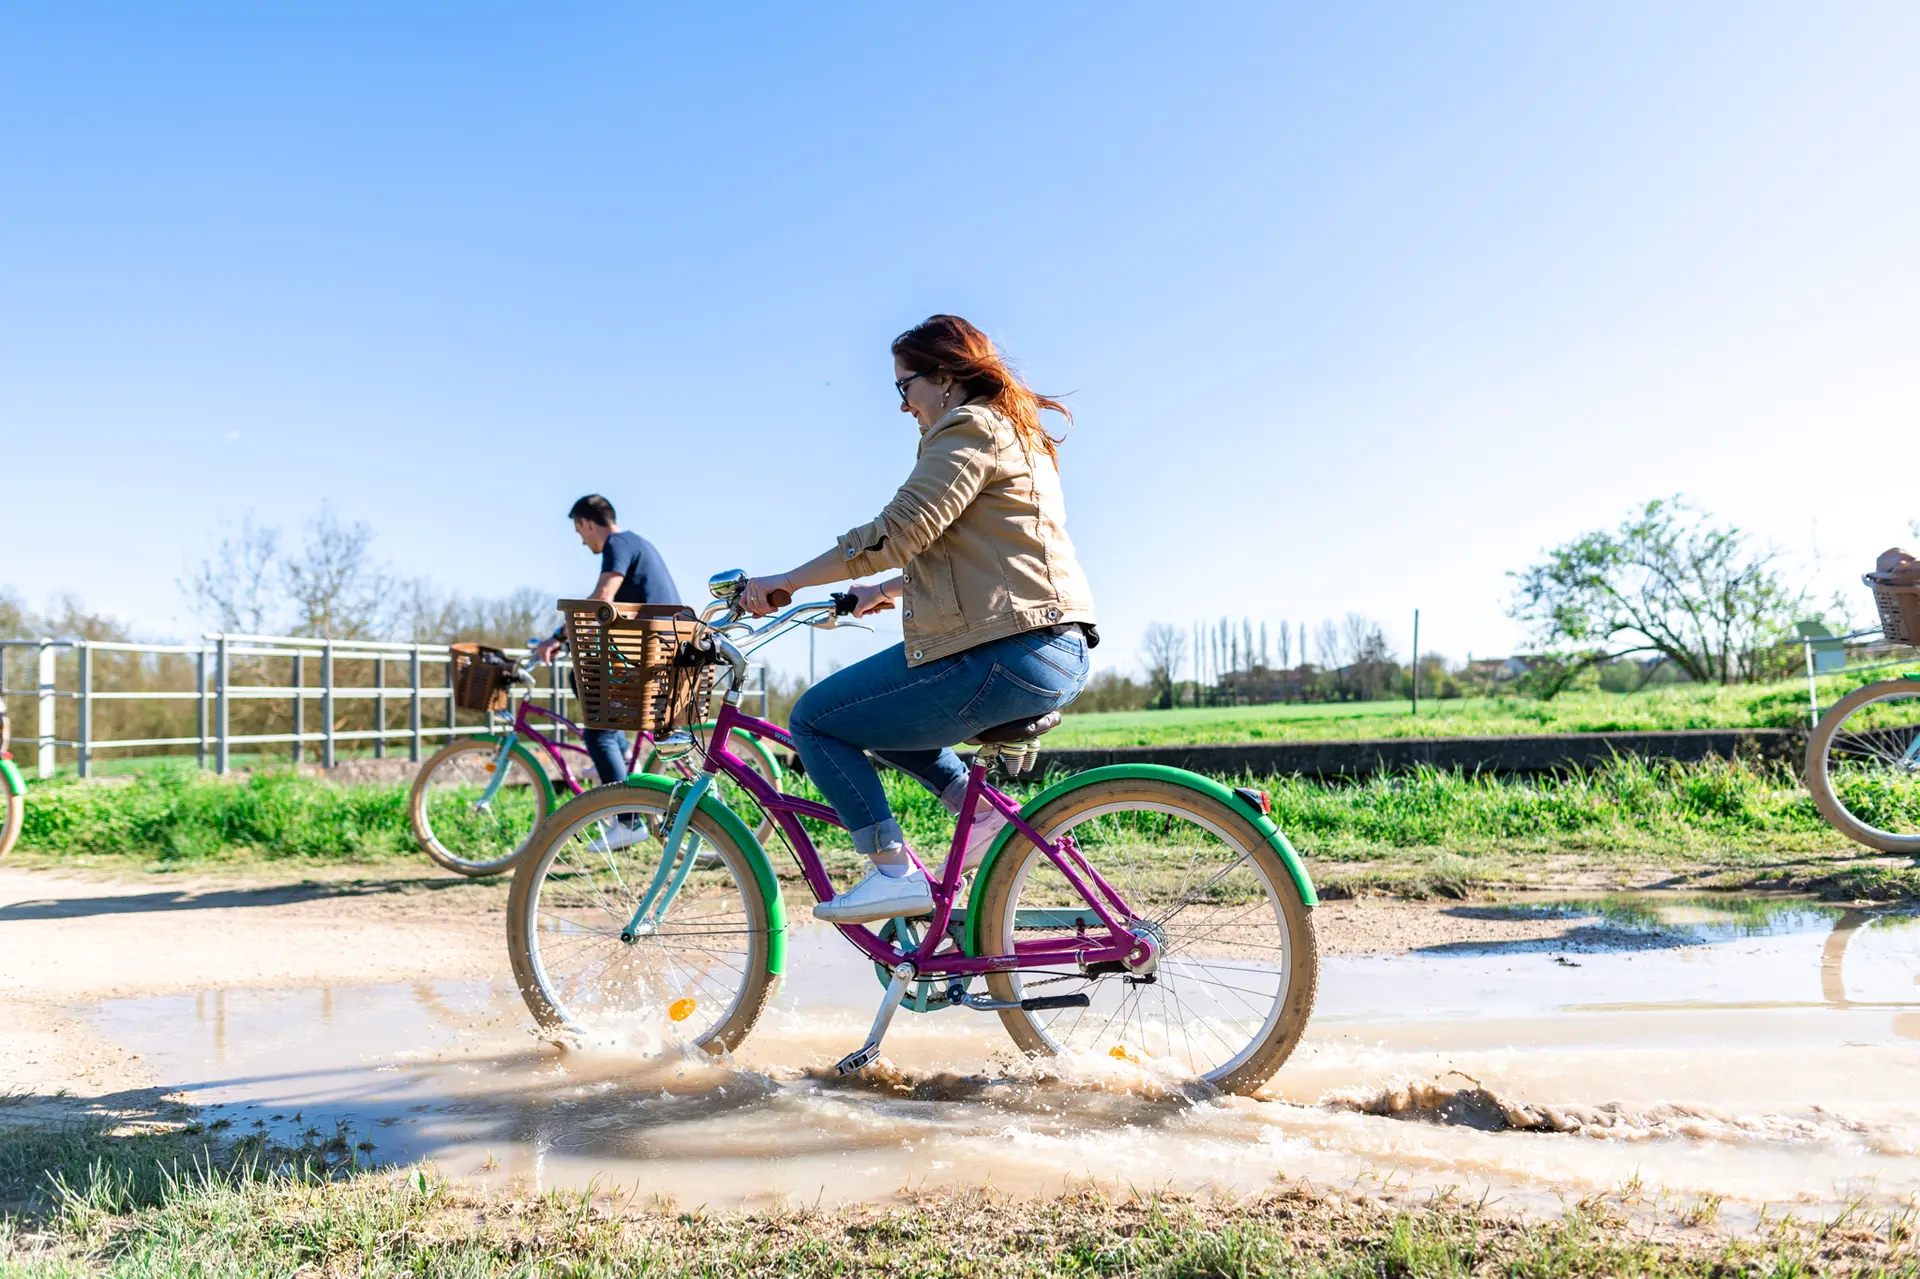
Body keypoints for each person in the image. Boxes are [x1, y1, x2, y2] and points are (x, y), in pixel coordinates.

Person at [743, 315, 1096, 923]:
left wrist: (787, 580)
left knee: (816, 718)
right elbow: (976, 549)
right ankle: (981, 821)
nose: (903, 404)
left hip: (1010, 649)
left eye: (905, 386)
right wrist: (880, 590)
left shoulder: (969, 428)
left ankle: (891, 872)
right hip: (1045, 644)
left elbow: (898, 531)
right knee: (875, 714)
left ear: (945, 378)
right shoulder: (1010, 432)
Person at [534, 494, 682, 849]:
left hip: (650, 655)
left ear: (587, 523)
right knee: (585, 682)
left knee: (595, 716)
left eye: (578, 531)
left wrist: (556, 637)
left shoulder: (617, 542)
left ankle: (627, 822)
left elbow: (603, 596)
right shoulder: (638, 542)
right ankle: (611, 763)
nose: (581, 540)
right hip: (666, 650)